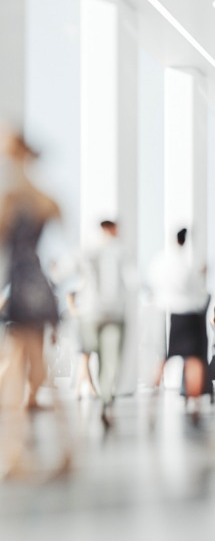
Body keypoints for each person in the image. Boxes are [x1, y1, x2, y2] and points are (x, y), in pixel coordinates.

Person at [0, 131, 70, 478]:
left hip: (20, 286)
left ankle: (15, 455)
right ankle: (68, 446)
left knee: (15, 371)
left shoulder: (11, 198)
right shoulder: (44, 199)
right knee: (37, 369)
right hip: (39, 285)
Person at [70, 220, 133, 428]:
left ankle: (99, 395)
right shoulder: (109, 251)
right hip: (101, 315)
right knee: (101, 357)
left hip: (96, 316)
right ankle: (99, 394)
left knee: (93, 357)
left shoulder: (92, 251)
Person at [149, 228, 211, 423]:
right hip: (188, 312)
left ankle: (152, 397)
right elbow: (196, 288)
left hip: (166, 312)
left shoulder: (159, 261)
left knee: (164, 357)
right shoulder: (188, 262)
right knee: (193, 359)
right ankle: (194, 400)